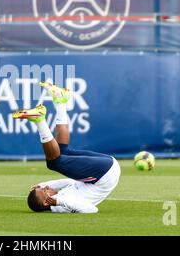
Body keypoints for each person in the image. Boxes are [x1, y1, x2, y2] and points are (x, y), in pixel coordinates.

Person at [12, 82, 121, 213]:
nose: (46, 187)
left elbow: (69, 181)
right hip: (105, 174)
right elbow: (92, 209)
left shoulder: (59, 198)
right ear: (46, 202)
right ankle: (39, 120)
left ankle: (60, 100)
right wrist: (59, 201)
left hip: (104, 169)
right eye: (44, 190)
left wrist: (43, 184)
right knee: (54, 163)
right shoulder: (61, 205)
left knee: (62, 151)